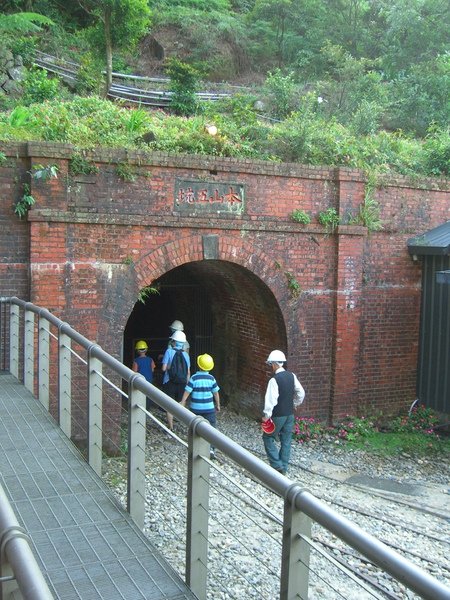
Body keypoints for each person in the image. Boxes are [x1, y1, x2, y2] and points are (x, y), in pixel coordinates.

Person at [262, 350, 305, 475]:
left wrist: (266, 415)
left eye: (271, 364)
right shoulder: (292, 376)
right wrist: (295, 404)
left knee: (268, 437)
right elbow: (301, 393)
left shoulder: (274, 380)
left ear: (274, 364)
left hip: (277, 415)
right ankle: (283, 468)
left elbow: (271, 400)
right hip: (290, 414)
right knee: (286, 440)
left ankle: (276, 465)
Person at [181, 353, 220, 458]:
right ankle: (211, 449)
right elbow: (216, 393)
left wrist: (183, 401)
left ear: (199, 365)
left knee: (194, 426)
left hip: (195, 408)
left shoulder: (194, 378)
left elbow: (187, 391)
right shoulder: (211, 379)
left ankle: (194, 446)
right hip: (209, 409)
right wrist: (218, 404)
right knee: (211, 428)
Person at [161, 330, 190, 430]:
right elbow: (188, 372)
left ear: (173, 341)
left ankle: (171, 427)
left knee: (170, 404)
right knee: (181, 401)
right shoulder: (186, 355)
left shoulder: (169, 352)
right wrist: (187, 384)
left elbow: (164, 369)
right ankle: (180, 418)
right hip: (182, 383)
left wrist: (169, 367)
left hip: (170, 381)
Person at [132, 340, 156, 411]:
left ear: (137, 350)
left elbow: (134, 372)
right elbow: (152, 370)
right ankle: (147, 408)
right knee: (148, 394)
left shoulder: (136, 361)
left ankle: (139, 408)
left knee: (139, 394)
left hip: (140, 381)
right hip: (149, 380)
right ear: (146, 349)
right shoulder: (150, 359)